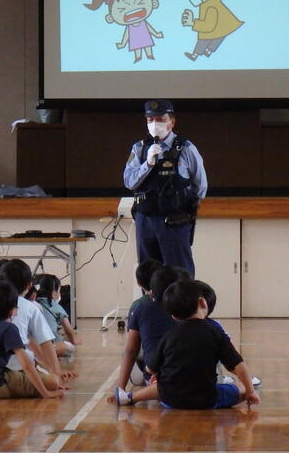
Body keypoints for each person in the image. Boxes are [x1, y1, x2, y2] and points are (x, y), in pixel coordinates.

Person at [115, 280, 259, 409]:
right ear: (203, 303)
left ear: (173, 316)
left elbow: (150, 368)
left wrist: (158, 374)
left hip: (170, 400)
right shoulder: (215, 331)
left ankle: (130, 397)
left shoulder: (169, 335)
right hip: (206, 399)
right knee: (241, 388)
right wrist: (250, 391)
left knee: (162, 386)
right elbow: (238, 365)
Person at [123, 99, 207, 276]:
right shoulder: (139, 149)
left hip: (174, 220)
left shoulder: (186, 148)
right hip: (145, 219)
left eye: (160, 119)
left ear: (172, 122)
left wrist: (184, 206)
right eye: (150, 120)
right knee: (149, 274)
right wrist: (148, 163)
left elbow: (200, 186)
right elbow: (129, 181)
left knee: (179, 274)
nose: (155, 124)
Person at [0, 259, 74, 387]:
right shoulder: (30, 307)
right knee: (51, 381)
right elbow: (46, 344)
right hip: (14, 371)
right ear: (29, 285)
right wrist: (56, 375)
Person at [111, 266, 180, 394]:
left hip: (154, 376)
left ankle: (135, 394)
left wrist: (120, 389)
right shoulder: (188, 308)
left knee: (133, 347)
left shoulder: (140, 305)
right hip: (189, 376)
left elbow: (131, 351)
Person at [34, 274, 80, 357]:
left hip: (30, 346)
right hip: (48, 347)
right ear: (54, 292)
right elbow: (71, 335)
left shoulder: (30, 303)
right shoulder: (54, 306)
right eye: (59, 291)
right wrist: (77, 340)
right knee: (69, 346)